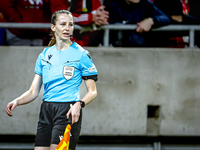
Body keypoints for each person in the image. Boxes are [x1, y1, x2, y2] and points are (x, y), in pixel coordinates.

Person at [6, 10, 98, 150]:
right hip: (46, 110)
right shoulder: (45, 54)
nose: (67, 28)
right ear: (53, 27)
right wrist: (17, 101)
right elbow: (33, 91)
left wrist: (79, 104)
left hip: (67, 110)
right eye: (63, 24)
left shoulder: (82, 54)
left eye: (70, 24)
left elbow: (93, 92)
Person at [104, 0, 170, 47]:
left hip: (143, 52)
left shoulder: (145, 3)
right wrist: (135, 26)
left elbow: (165, 18)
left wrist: (151, 21)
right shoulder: (112, 5)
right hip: (119, 52)